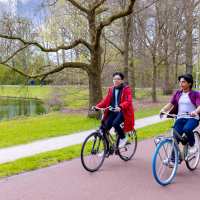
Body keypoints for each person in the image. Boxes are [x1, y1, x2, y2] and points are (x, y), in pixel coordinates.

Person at [160, 73, 200, 157]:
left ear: (189, 83)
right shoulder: (178, 93)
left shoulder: (195, 94)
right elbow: (171, 104)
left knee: (187, 129)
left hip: (192, 118)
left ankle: (192, 146)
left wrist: (195, 111)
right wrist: (163, 110)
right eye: (180, 82)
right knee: (175, 137)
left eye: (183, 82)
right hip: (180, 118)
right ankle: (173, 159)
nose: (181, 84)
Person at [94, 72, 134, 150]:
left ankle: (123, 138)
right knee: (104, 129)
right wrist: (97, 106)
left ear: (122, 80)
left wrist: (120, 106)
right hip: (113, 111)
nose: (116, 80)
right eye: (114, 79)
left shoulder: (126, 89)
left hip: (123, 111)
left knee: (115, 123)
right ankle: (107, 149)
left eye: (118, 79)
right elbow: (106, 100)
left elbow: (128, 101)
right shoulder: (111, 89)